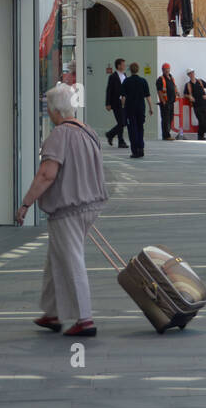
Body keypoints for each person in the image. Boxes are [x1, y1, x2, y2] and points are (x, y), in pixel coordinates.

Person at [17, 84, 109, 337]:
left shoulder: (59, 134)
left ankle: (85, 318)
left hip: (69, 207)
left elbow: (47, 173)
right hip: (91, 203)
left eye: (47, 107)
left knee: (70, 260)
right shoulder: (87, 130)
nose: (47, 112)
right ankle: (53, 312)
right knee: (56, 258)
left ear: (54, 109)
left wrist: (26, 203)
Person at [122, 62, 153, 158]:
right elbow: (148, 96)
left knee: (132, 130)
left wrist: (123, 108)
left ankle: (135, 151)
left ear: (130, 70)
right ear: (138, 70)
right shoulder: (143, 81)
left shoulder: (126, 81)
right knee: (140, 128)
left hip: (130, 109)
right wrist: (151, 108)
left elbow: (123, 97)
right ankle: (141, 148)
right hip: (141, 108)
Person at [105, 58, 128, 148]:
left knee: (123, 122)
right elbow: (109, 90)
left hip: (124, 102)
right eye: (123, 64)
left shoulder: (125, 75)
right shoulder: (113, 77)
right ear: (118, 65)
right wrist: (108, 103)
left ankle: (111, 134)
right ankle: (120, 140)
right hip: (116, 102)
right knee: (121, 122)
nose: (124, 66)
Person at [184, 69, 206, 141]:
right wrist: (189, 96)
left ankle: (200, 136)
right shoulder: (188, 85)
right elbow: (185, 94)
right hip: (196, 105)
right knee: (201, 120)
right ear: (188, 75)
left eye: (192, 72)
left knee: (204, 120)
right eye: (190, 73)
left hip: (205, 104)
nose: (192, 74)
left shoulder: (200, 81)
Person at [156, 63, 178, 141]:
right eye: (165, 69)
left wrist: (177, 92)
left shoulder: (171, 78)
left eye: (168, 68)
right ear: (163, 70)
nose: (167, 70)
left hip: (171, 102)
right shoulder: (160, 79)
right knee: (165, 119)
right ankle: (166, 135)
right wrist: (163, 101)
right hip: (165, 102)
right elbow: (159, 91)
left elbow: (174, 86)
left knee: (170, 118)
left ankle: (167, 133)